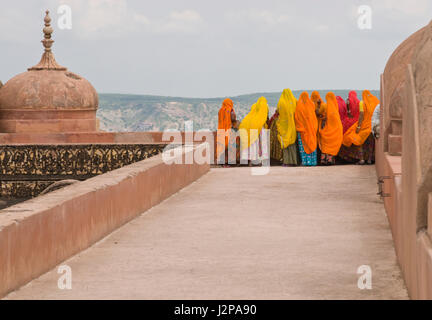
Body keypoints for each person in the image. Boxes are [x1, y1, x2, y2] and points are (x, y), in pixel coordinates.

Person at [341, 90, 380, 165]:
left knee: (358, 141)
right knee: (370, 143)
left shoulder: (362, 103)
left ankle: (361, 159)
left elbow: (361, 115)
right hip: (373, 126)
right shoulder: (375, 102)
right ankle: (369, 160)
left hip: (364, 126)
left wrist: (358, 126)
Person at [239, 97, 269, 166]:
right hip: (258, 129)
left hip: (251, 128)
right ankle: (256, 161)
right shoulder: (264, 108)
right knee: (258, 145)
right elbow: (266, 118)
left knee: (253, 145)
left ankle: (251, 160)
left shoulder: (253, 112)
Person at [318, 92, 343, 165]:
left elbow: (320, 115)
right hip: (335, 131)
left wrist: (319, 105)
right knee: (332, 145)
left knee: (325, 145)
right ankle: (329, 160)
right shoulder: (335, 108)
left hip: (326, 130)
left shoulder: (325, 106)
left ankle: (323, 160)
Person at [295, 92, 318, 166]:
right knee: (311, 144)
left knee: (304, 146)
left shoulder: (299, 106)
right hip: (311, 130)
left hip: (302, 131)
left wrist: (301, 127)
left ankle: (305, 162)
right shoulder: (311, 105)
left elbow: (297, 118)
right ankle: (313, 162)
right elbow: (314, 119)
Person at [275, 89, 298, 166]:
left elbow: (277, 111)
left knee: (285, 143)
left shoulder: (281, 102)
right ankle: (294, 161)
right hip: (292, 126)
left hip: (283, 126)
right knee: (292, 143)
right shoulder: (294, 101)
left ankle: (286, 162)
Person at [217, 98, 236, 166]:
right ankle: (228, 162)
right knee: (229, 146)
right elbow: (233, 119)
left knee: (222, 145)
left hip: (221, 131)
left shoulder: (220, 110)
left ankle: (222, 162)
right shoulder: (230, 110)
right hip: (229, 130)